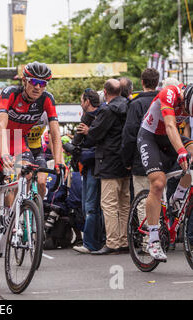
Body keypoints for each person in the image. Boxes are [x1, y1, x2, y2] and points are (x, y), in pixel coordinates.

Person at [0, 62, 63, 273]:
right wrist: (4, 153)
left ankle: (21, 213)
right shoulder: (10, 93)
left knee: (28, 172)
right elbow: (1, 126)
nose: (38, 87)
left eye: (43, 83)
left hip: (19, 142)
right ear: (24, 81)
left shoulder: (46, 99)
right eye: (34, 82)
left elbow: (55, 132)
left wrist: (60, 161)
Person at [136, 83, 193, 261]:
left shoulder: (188, 102)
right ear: (185, 99)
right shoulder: (169, 93)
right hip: (150, 136)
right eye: (186, 110)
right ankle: (153, 239)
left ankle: (177, 198)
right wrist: (181, 151)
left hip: (169, 138)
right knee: (158, 183)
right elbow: (169, 126)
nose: (185, 113)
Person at [78, 79, 131, 255]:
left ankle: (112, 243)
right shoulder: (129, 105)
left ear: (105, 92)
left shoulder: (107, 110)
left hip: (108, 161)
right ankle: (124, 241)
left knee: (108, 205)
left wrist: (87, 131)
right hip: (126, 160)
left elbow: (96, 134)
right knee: (125, 204)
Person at [72, 89, 105, 254]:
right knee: (88, 207)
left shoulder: (100, 117)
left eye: (81, 100)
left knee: (91, 206)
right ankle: (95, 241)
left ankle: (91, 243)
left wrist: (88, 132)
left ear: (87, 101)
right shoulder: (87, 118)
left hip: (95, 166)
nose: (80, 103)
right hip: (88, 166)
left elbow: (101, 140)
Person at [121, 68, 160, 197]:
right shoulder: (163, 102)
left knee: (143, 200)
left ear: (142, 82)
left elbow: (130, 134)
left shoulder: (136, 104)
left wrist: (127, 161)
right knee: (160, 200)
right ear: (157, 82)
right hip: (162, 160)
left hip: (141, 160)